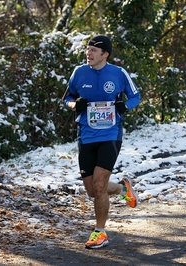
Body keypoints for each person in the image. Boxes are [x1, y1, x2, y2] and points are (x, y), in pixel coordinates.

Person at [63, 35, 141, 249]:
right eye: (88, 49)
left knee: (99, 185)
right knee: (92, 190)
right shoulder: (79, 73)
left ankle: (100, 232)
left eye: (94, 51)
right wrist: (74, 105)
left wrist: (126, 106)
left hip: (110, 134)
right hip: (86, 135)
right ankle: (124, 190)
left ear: (105, 54)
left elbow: (135, 96)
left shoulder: (118, 73)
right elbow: (67, 97)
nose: (89, 53)